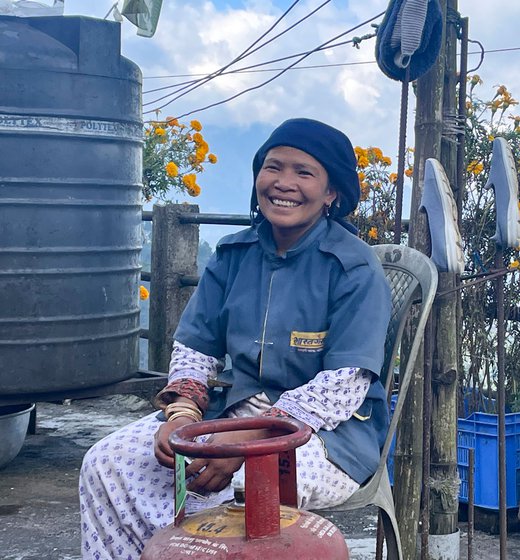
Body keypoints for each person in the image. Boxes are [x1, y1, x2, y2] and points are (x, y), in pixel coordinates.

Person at [78, 118, 392, 560]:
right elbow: (196, 348)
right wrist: (182, 416)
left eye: (304, 172)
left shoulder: (353, 270)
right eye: (273, 167)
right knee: (107, 463)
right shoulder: (231, 256)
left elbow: (341, 389)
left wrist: (242, 444)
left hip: (330, 437)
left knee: (241, 488)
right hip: (235, 417)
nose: (284, 183)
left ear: (332, 192)